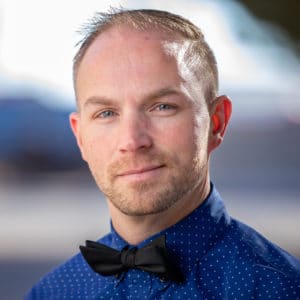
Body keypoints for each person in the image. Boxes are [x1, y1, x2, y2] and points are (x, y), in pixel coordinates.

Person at [25, 8, 300, 299]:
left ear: (216, 122)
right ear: (80, 137)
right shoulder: (50, 292)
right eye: (106, 113)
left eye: (162, 106)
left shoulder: (281, 289)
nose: (132, 140)